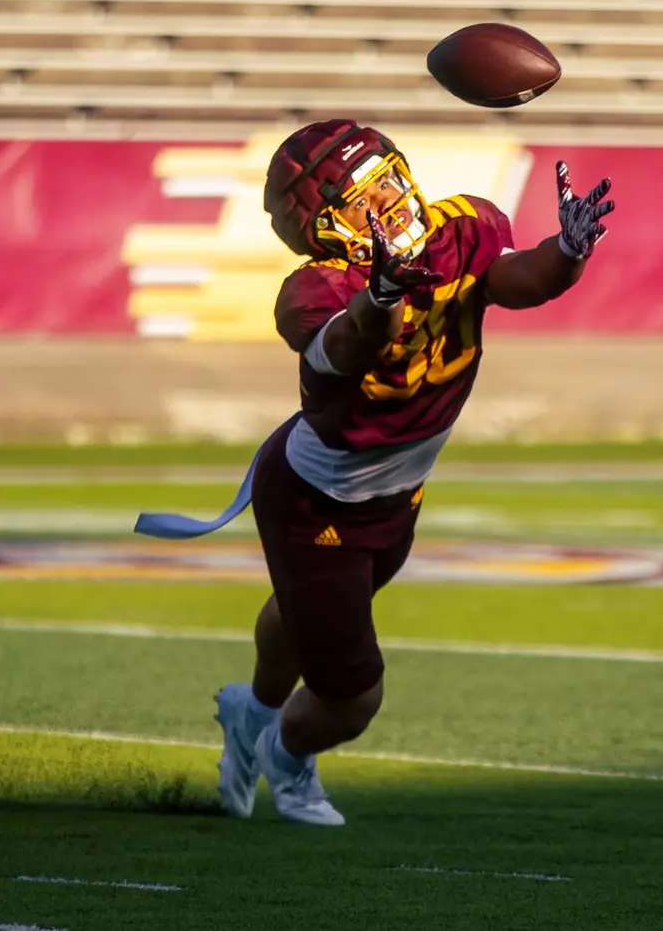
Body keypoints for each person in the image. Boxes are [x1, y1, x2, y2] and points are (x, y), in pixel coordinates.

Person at [134, 119, 614, 825]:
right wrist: (385, 293)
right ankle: (288, 757)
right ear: (327, 230)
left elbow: (519, 280)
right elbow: (358, 340)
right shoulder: (317, 292)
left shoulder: (460, 230)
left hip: (395, 497)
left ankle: (254, 710)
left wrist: (569, 252)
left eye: (388, 178)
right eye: (363, 200)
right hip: (318, 503)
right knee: (353, 695)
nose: (387, 202)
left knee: (306, 618)